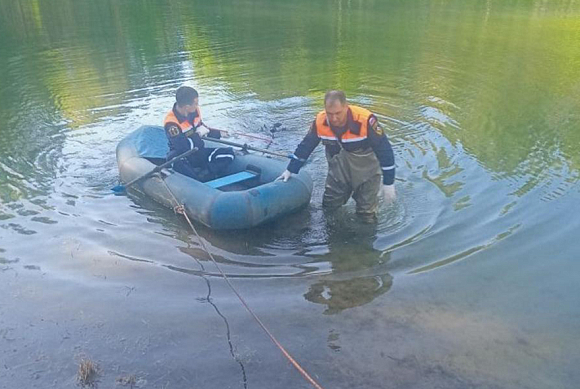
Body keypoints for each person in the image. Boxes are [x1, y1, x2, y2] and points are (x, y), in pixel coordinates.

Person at [277, 90, 396, 220]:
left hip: (367, 171)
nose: (334, 119)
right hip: (339, 172)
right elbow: (306, 145)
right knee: (329, 207)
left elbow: (384, 150)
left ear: (346, 106)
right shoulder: (320, 122)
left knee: (366, 213)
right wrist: (290, 169)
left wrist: (388, 183)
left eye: (338, 113)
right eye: (330, 114)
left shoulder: (365, 120)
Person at [163, 86, 234, 180]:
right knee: (178, 162)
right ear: (187, 107)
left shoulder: (194, 112)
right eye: (196, 103)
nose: (198, 105)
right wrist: (198, 135)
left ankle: (207, 174)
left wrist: (220, 134)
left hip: (198, 151)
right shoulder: (172, 124)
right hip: (182, 155)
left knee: (229, 153)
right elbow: (183, 147)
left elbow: (202, 128)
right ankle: (197, 181)